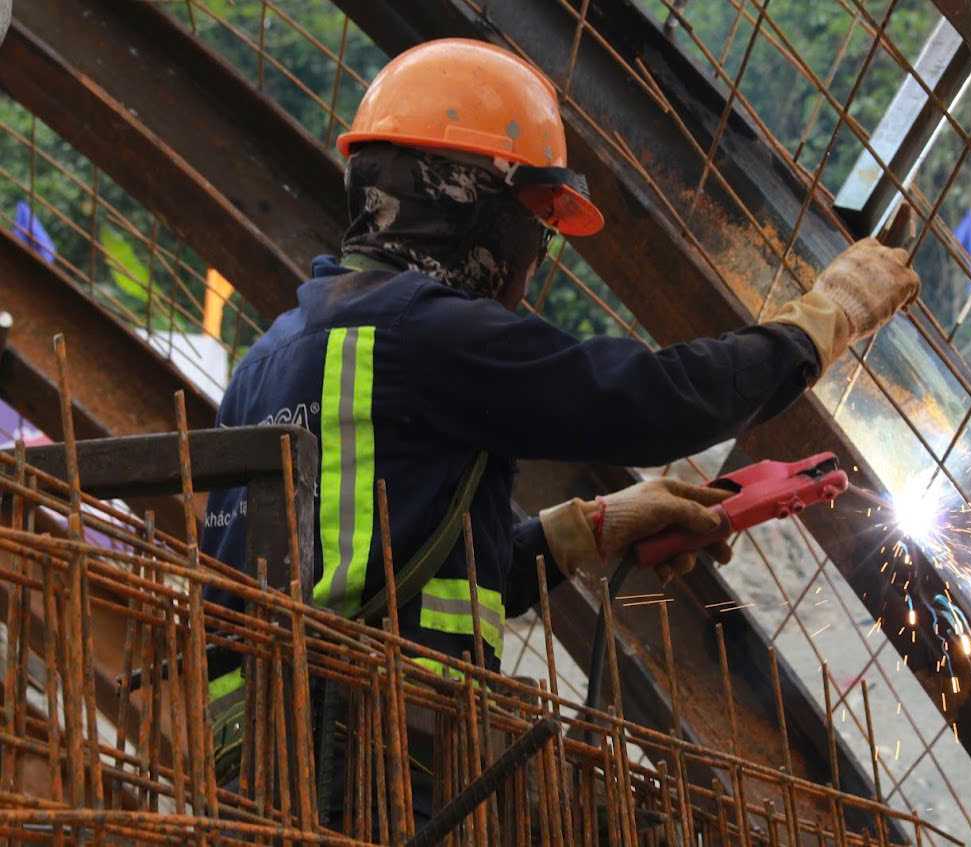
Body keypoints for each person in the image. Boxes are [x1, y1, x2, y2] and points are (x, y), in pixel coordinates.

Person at [200, 36, 916, 728]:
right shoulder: (427, 333)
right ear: (465, 198)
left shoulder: (268, 359)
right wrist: (828, 317)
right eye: (534, 221)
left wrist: (588, 528)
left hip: (268, 762)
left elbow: (397, 576)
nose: (536, 253)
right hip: (372, 752)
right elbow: (655, 402)